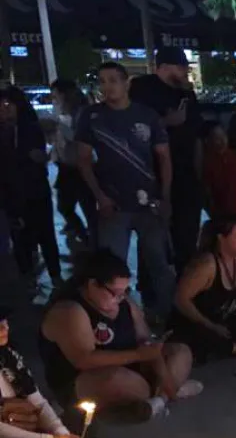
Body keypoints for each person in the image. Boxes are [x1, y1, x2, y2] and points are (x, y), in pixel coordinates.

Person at [40, 252, 199, 420]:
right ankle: (162, 394)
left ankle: (160, 398)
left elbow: (147, 343)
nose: (120, 298)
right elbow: (84, 360)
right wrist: (138, 355)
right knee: (114, 380)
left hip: (133, 369)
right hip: (84, 380)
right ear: (93, 284)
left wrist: (162, 371)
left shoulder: (124, 303)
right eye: (114, 293)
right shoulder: (70, 311)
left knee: (181, 352)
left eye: (124, 292)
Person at [75, 62, 175, 320]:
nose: (107, 86)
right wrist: (100, 196)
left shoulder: (147, 115)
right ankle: (118, 320)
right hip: (113, 204)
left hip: (148, 202)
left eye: (112, 80)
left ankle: (168, 315)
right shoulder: (91, 116)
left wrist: (165, 196)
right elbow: (83, 159)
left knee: (158, 262)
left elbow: (164, 158)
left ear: (126, 82)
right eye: (102, 81)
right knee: (112, 268)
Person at [129, 47, 203, 271]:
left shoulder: (186, 94)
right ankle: (152, 289)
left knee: (187, 234)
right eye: (180, 67)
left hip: (185, 173)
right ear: (163, 68)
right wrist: (165, 122)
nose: (184, 72)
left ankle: (185, 282)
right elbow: (133, 128)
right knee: (154, 237)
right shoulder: (143, 89)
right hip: (153, 175)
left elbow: (196, 132)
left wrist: (200, 173)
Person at [0, 307, 85, 438]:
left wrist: (61, 433)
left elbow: (37, 401)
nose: (4, 329)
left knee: (77, 419)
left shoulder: (8, 358)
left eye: (4, 322)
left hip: (23, 427)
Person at [170, 218, 236, 361]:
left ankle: (235, 345)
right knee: (204, 336)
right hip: (196, 322)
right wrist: (211, 325)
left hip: (222, 319)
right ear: (221, 238)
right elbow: (180, 300)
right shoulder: (206, 265)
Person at [0, 85, 61, 288]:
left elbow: (38, 157)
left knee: (46, 234)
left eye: (8, 104)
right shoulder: (4, 131)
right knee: (20, 238)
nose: (4, 109)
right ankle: (28, 277)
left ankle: (55, 276)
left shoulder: (30, 128)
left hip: (35, 192)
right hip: (10, 194)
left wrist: (39, 158)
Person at [50, 78, 94, 248]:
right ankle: (85, 237)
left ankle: (91, 241)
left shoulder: (81, 112)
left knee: (85, 206)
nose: (54, 99)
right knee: (69, 205)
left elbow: (78, 137)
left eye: (55, 95)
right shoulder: (66, 112)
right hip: (67, 166)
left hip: (78, 166)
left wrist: (59, 127)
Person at [201, 122, 236, 219]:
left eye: (224, 136)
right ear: (208, 141)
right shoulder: (208, 163)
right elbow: (208, 193)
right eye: (217, 138)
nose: (222, 141)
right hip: (222, 216)